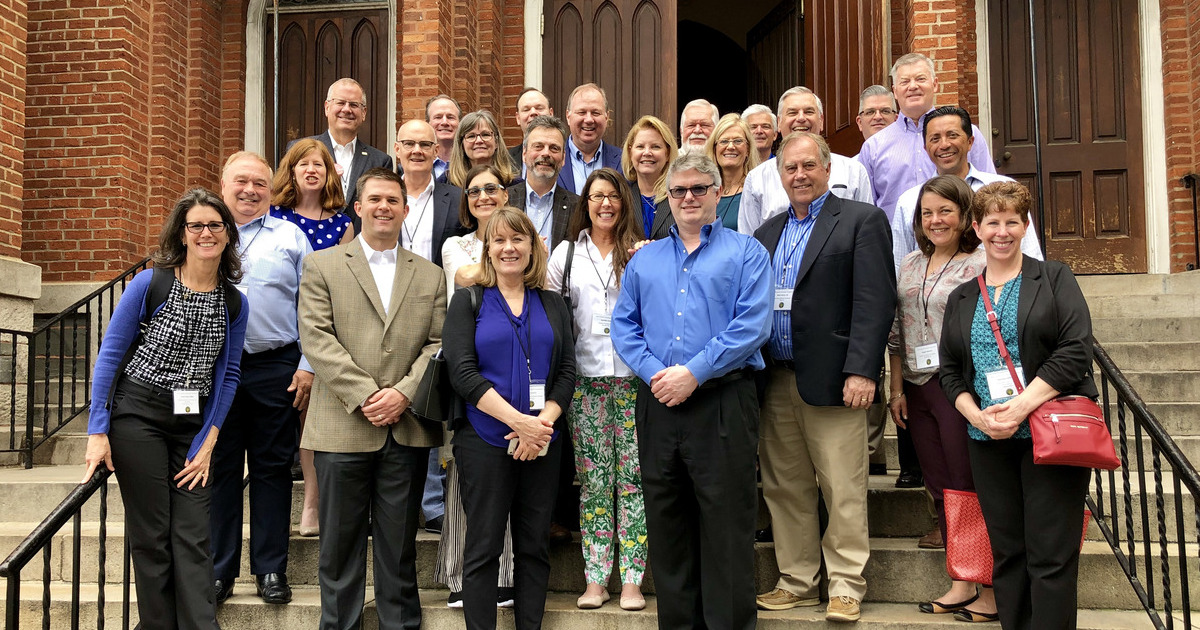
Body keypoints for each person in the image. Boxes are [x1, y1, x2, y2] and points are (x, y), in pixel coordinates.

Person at [611, 153, 772, 630]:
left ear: (717, 192)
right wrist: (660, 374)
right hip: (658, 403)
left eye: (699, 189)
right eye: (678, 191)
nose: (687, 198)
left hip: (723, 400)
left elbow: (753, 326)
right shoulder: (646, 260)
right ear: (667, 196)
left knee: (725, 526)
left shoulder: (746, 252)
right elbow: (624, 327)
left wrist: (694, 373)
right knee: (668, 524)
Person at [83, 189, 248, 630]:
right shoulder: (151, 282)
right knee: (153, 537)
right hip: (139, 417)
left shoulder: (234, 301)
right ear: (182, 232)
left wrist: (210, 437)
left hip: (193, 427)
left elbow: (228, 375)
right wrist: (98, 431)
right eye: (196, 225)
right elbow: (111, 356)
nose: (206, 233)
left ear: (228, 234)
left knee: (194, 535)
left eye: (215, 225)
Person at [752, 132, 895, 623]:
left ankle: (846, 585)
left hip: (836, 381)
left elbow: (875, 301)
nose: (800, 175)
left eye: (809, 166)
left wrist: (862, 369)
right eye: (790, 168)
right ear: (779, 174)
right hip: (774, 379)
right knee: (784, 487)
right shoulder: (766, 233)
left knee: (843, 486)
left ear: (828, 170)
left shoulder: (861, 221)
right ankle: (796, 580)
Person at [939, 181, 1095, 628]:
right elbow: (949, 370)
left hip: (1050, 433)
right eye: (992, 222)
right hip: (988, 439)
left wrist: (1021, 406)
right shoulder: (962, 296)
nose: (1002, 231)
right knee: (1007, 553)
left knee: (1050, 554)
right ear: (977, 227)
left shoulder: (1054, 278)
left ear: (1025, 226)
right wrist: (979, 418)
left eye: (1012, 221)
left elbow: (1075, 350)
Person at [298, 167, 447, 630]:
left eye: (393, 200)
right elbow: (317, 338)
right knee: (338, 545)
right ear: (358, 208)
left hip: (404, 428)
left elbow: (438, 345)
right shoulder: (322, 264)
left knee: (399, 545)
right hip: (341, 425)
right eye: (375, 199)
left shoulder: (431, 274)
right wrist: (366, 395)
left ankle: (399, 624)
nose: (384, 207)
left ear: (405, 209)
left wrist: (402, 394)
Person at [443, 207, 577, 630]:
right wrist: (519, 422)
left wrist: (541, 426)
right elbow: (461, 373)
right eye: (499, 240)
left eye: (518, 239)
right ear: (488, 249)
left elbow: (567, 372)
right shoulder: (469, 301)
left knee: (535, 546)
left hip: (542, 442)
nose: (508, 248)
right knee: (483, 547)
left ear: (533, 247)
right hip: (484, 440)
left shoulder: (553, 304)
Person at [885, 175, 996, 619]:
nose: (936, 220)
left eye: (945, 211)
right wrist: (896, 388)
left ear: (966, 216)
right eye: (927, 213)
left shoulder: (982, 262)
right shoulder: (910, 263)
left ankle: (988, 588)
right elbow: (897, 331)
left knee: (969, 483)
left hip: (960, 387)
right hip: (916, 387)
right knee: (940, 486)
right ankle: (961, 579)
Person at [211, 152, 313, 605]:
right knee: (221, 469)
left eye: (259, 183)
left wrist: (307, 364)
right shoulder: (204, 232)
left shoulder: (291, 236)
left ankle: (271, 569)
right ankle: (219, 570)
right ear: (223, 184)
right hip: (217, 368)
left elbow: (313, 307)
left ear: (270, 191)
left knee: (272, 470)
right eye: (241, 181)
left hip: (276, 365)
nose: (250, 190)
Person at [545, 168, 648, 611]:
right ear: (584, 202)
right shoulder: (564, 255)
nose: (605, 204)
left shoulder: (643, 254)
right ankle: (595, 579)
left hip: (633, 382)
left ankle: (631, 581)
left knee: (632, 482)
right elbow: (551, 319)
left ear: (625, 203)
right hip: (584, 383)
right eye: (596, 196)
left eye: (614, 197)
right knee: (593, 483)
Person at [437, 163, 517, 608]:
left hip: (516, 370)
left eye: (492, 189)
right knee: (464, 480)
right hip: (468, 371)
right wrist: (512, 255)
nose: (483, 196)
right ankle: (459, 573)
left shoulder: (525, 239)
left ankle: (504, 572)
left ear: (506, 194)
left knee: (506, 477)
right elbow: (468, 277)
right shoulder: (456, 245)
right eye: (474, 192)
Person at [269, 138, 353, 538]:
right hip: (284, 332)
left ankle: (315, 503)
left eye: (319, 163)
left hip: (328, 329)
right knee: (298, 421)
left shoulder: (342, 223)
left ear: (332, 172)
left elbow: (348, 284)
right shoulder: (273, 217)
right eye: (303, 163)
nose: (312, 170)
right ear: (292, 170)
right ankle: (305, 499)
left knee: (318, 417)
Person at [890, 106, 1042, 272]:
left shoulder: (1003, 189)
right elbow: (899, 267)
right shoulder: (910, 201)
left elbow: (1031, 256)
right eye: (935, 139)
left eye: (952, 135)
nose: (944, 145)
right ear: (926, 148)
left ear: (970, 142)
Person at [856, 53, 996, 221]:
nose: (913, 86)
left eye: (920, 79)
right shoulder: (873, 147)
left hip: (960, 240)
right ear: (895, 91)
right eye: (905, 81)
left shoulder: (966, 135)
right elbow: (864, 208)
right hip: (896, 242)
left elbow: (990, 192)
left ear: (935, 84)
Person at [738, 86, 873, 236]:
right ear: (779, 122)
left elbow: (867, 231)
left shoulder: (853, 170)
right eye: (792, 112)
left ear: (821, 121)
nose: (801, 118)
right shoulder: (757, 178)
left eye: (809, 111)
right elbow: (749, 241)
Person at [300, 78, 393, 227]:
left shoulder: (380, 161)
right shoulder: (301, 150)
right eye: (340, 102)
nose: (346, 109)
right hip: (310, 241)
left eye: (354, 105)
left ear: (363, 113)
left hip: (359, 245)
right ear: (327, 107)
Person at [394, 119, 465, 267]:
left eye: (425, 144)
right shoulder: (382, 199)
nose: (417, 150)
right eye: (409, 143)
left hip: (441, 289)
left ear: (436, 151)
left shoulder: (458, 199)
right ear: (397, 150)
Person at [507, 115, 579, 250]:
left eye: (554, 148)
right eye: (538, 146)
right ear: (524, 154)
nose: (546, 153)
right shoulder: (504, 200)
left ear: (563, 158)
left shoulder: (577, 207)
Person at [558, 83, 623, 195]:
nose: (589, 119)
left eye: (595, 113)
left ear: (606, 117)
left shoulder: (623, 161)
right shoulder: (553, 158)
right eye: (582, 112)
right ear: (568, 116)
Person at [620, 115, 678, 239]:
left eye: (655, 147)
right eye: (640, 146)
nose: (647, 153)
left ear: (667, 153)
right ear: (630, 152)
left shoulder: (680, 194)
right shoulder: (621, 195)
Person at [704, 113, 759, 230]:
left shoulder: (756, 190)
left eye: (738, 141)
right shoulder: (704, 190)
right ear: (714, 149)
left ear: (748, 149)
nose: (730, 146)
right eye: (723, 141)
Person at [447, 110, 518, 189]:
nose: (479, 141)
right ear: (461, 145)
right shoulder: (446, 183)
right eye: (471, 136)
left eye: (485, 135)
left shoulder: (515, 184)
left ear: (496, 142)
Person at [510, 88, 554, 168]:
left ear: (551, 114)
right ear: (518, 118)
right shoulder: (506, 159)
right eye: (526, 110)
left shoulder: (568, 155)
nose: (533, 112)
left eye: (539, 108)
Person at [426, 95, 462, 182]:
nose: (444, 122)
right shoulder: (414, 164)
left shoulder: (470, 163)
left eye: (450, 117)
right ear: (428, 123)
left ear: (460, 123)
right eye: (438, 117)